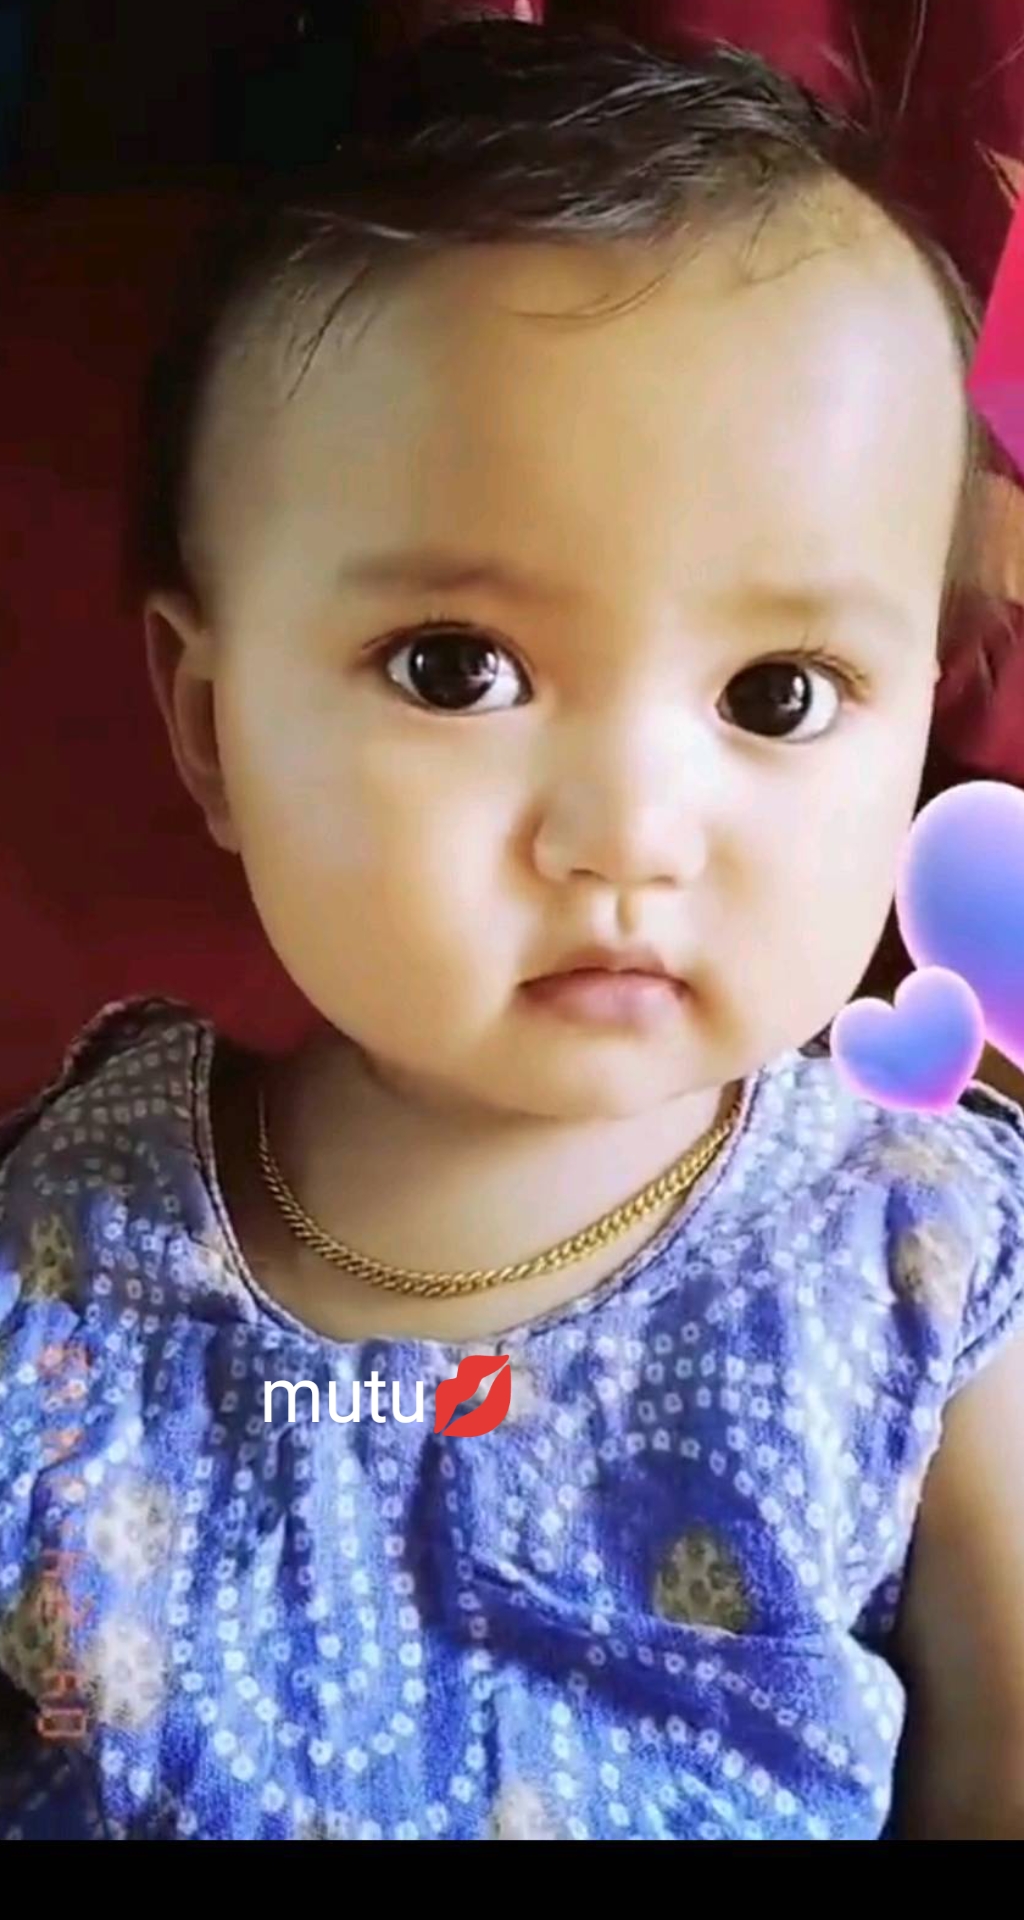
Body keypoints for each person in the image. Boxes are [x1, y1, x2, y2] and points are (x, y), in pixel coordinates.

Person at [1, 17, 1023, 1841]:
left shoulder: (917, 1263)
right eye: (455, 670)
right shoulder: (63, 1242)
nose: (629, 834)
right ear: (209, 725)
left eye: (780, 694)